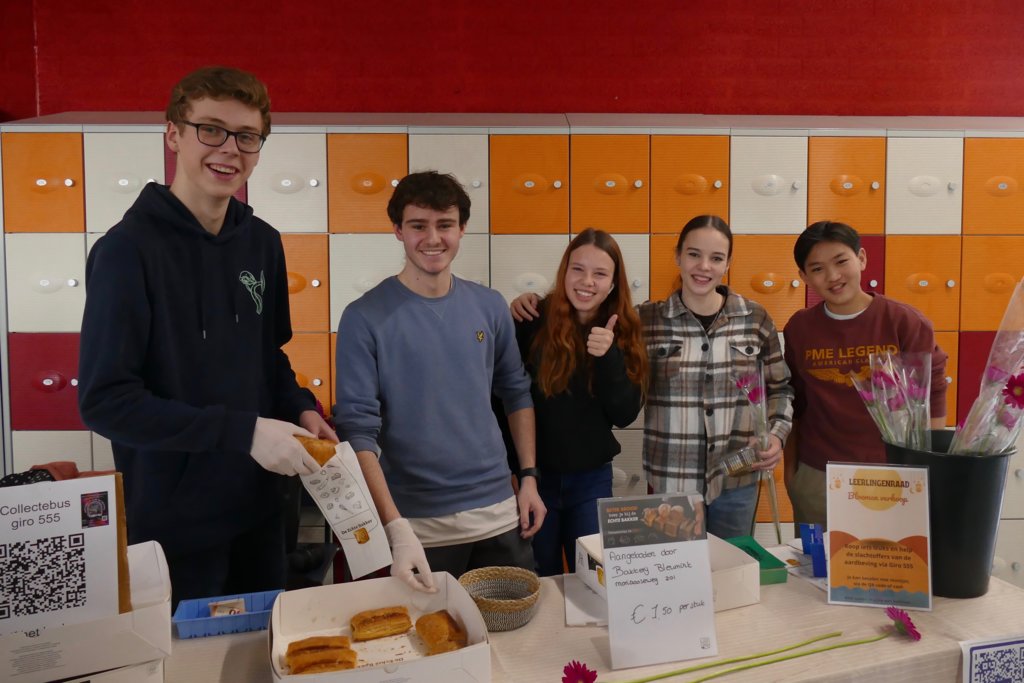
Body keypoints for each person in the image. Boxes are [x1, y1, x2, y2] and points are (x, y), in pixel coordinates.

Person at [78, 66, 337, 607]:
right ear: (174, 134)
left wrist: (299, 405)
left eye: (247, 136)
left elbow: (267, 356)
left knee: (265, 646)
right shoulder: (126, 252)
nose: (229, 150)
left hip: (261, 510)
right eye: (211, 130)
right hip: (176, 528)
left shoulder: (261, 242)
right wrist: (242, 432)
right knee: (189, 653)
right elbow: (106, 402)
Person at [512, 215, 793, 540]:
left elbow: (780, 388)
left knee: (734, 568)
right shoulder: (646, 320)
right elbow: (588, 322)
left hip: (736, 481)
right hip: (670, 486)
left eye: (716, 258)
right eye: (693, 254)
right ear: (677, 256)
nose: (703, 266)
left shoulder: (754, 318)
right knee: (673, 571)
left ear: (728, 263)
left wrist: (776, 435)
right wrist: (530, 302)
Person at [335, 171, 545, 590]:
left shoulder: (489, 306)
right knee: (426, 631)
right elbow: (357, 431)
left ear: (462, 229)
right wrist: (395, 527)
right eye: (418, 225)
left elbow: (516, 392)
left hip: (499, 515)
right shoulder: (363, 318)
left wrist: (529, 478)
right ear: (398, 230)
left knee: (514, 626)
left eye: (445, 224)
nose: (433, 238)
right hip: (417, 526)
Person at [499, 229, 646, 576]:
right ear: (564, 271)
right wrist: (516, 474)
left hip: (591, 481)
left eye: (600, 274)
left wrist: (608, 357)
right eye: (577, 269)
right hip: (535, 479)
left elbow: (625, 414)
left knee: (593, 577)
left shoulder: (623, 329)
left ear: (613, 283)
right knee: (538, 577)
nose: (587, 282)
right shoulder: (532, 319)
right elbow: (503, 401)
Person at [783, 221, 948, 527]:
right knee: (817, 560)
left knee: (890, 557)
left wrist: (929, 466)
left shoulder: (903, 321)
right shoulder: (800, 328)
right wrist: (792, 474)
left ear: (861, 258)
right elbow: (795, 402)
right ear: (803, 277)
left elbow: (933, 393)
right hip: (820, 476)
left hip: (893, 474)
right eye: (817, 269)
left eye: (841, 261)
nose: (833, 276)